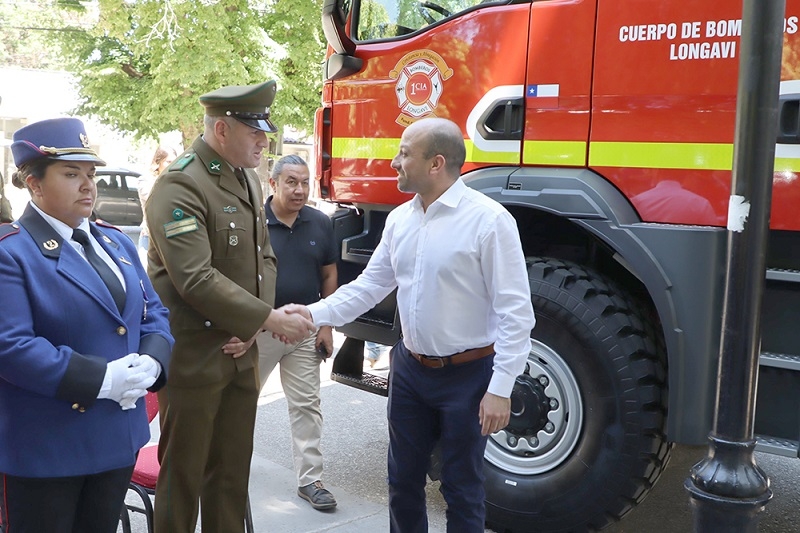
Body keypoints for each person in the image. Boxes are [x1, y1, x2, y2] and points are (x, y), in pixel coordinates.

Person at [285, 117, 536, 532]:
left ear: (436, 163)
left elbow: (516, 313)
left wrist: (500, 389)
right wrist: (313, 314)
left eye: (404, 153)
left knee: (462, 488)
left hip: (469, 377)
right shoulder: (401, 220)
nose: (394, 162)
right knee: (401, 482)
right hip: (410, 371)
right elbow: (369, 287)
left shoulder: (489, 222)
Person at [145, 80, 315, 533]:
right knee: (182, 479)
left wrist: (254, 326)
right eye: (255, 131)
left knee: (231, 478)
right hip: (196, 357)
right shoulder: (180, 185)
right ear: (222, 129)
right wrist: (267, 318)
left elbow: (264, 258)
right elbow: (195, 277)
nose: (266, 140)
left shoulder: (247, 178)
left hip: (242, 352)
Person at [0, 117, 173, 532]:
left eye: (91, 174)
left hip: (116, 437)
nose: (88, 185)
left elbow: (154, 314)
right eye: (71, 173)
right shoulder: (13, 252)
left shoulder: (114, 241)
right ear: (34, 184)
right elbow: (12, 347)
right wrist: (102, 379)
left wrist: (152, 362)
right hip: (50, 445)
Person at [256, 154, 339, 510]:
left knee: (307, 405)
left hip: (305, 331)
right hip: (260, 329)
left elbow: (329, 275)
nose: (300, 189)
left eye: (305, 182)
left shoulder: (320, 223)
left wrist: (327, 325)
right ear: (273, 183)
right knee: (238, 404)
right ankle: (224, 467)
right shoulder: (253, 222)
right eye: (291, 181)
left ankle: (311, 480)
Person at [137, 145, 177, 258]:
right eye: (168, 161)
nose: (172, 165)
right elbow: (157, 199)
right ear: (158, 162)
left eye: (174, 161)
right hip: (150, 238)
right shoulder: (145, 180)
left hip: (171, 237)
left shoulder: (177, 181)